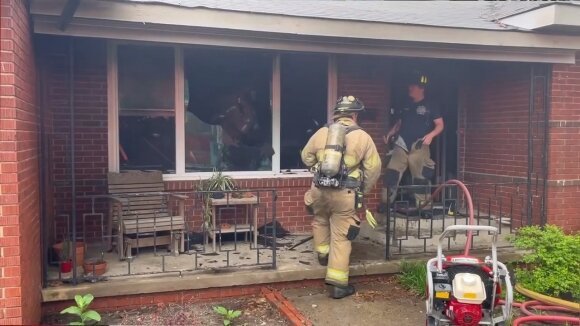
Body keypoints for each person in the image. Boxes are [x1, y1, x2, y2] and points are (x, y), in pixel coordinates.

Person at [301, 96, 381, 299]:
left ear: (336, 115)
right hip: (345, 193)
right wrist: (364, 189)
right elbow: (374, 168)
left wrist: (317, 168)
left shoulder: (321, 132)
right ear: (354, 115)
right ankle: (337, 285)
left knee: (319, 220)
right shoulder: (363, 137)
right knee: (342, 236)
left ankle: (323, 254)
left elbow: (305, 156)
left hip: (318, 190)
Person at [381, 72, 444, 209]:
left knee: (420, 178)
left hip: (419, 145)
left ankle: (424, 209)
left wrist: (431, 136)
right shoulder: (406, 104)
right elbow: (399, 123)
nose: (410, 87)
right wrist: (390, 133)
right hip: (401, 144)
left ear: (421, 88)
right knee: (392, 174)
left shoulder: (431, 105)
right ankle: (385, 206)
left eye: (413, 85)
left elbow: (440, 125)